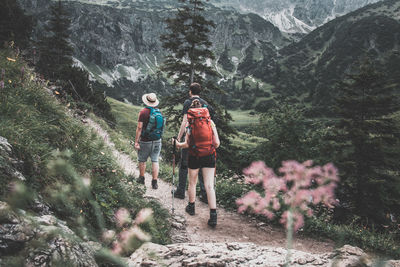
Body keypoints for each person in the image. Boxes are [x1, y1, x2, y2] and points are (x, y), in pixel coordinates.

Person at [172, 102, 220, 227]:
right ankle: (213, 216)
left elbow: (187, 144)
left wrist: (177, 144)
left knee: (192, 182)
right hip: (209, 155)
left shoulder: (190, 122)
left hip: (194, 156)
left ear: (191, 110)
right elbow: (217, 144)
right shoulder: (210, 122)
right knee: (209, 186)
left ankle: (191, 207)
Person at [174, 83, 211, 202]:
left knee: (184, 164)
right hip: (204, 139)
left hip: (190, 137)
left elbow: (185, 121)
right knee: (201, 165)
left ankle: (180, 191)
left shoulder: (187, 102)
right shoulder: (205, 103)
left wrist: (179, 138)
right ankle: (205, 195)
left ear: (190, 91)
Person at [134, 93, 164, 189]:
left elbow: (139, 128)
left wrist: (136, 141)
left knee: (142, 160)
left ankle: (141, 179)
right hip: (157, 140)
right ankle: (154, 182)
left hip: (145, 141)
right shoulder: (159, 112)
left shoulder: (143, 112)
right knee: (155, 160)